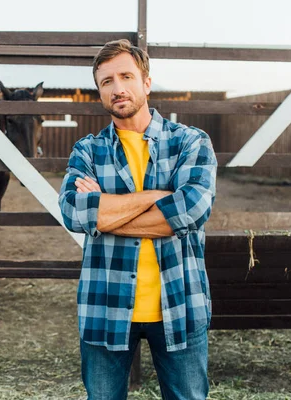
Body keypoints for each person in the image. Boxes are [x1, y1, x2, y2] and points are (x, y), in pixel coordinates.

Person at [58, 39, 217, 400]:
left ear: (146, 82)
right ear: (99, 92)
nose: (117, 88)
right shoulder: (88, 150)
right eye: (106, 81)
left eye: (126, 76)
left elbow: (192, 209)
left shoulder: (190, 143)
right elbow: (71, 211)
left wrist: (104, 213)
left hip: (179, 304)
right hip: (105, 306)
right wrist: (155, 199)